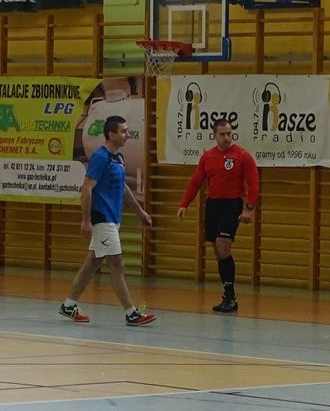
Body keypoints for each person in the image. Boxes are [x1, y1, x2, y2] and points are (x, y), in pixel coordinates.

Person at [58, 115, 157, 326]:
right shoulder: (100, 157)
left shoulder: (118, 158)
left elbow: (123, 188)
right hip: (102, 217)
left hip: (113, 217)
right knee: (117, 263)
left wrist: (140, 212)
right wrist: (86, 220)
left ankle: (68, 305)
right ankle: (131, 313)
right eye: (123, 131)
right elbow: (87, 188)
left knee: (93, 262)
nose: (127, 135)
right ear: (111, 134)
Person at [177, 118, 260, 313]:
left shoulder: (242, 156)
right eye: (222, 134)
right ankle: (228, 295)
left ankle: (230, 296)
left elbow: (254, 182)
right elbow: (196, 182)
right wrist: (184, 204)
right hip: (213, 205)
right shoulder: (208, 157)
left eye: (229, 133)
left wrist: (249, 208)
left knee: (223, 246)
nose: (226, 138)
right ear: (214, 135)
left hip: (232, 204)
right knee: (218, 249)